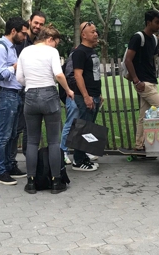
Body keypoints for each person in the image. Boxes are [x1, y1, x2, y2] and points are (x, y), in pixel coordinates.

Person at [16, 25, 74, 194]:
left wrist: (32, 85)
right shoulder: (51, 52)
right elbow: (59, 74)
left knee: (32, 141)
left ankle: (31, 182)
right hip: (49, 94)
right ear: (49, 39)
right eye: (55, 42)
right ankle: (56, 181)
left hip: (31, 96)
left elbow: (19, 77)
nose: (55, 46)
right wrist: (68, 90)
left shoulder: (25, 52)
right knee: (54, 141)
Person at [0, 17, 29, 185]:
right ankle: (1, 171)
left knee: (13, 134)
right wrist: (15, 66)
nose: (25, 37)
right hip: (6, 94)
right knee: (4, 135)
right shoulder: (0, 48)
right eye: (23, 33)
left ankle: (9, 164)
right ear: (13, 31)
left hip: (15, 93)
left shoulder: (12, 48)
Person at [124, 10, 159, 152]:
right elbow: (128, 59)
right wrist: (136, 81)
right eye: (157, 22)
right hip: (143, 83)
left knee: (144, 116)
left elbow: (151, 60)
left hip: (151, 81)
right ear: (149, 23)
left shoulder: (154, 39)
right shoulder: (138, 37)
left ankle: (139, 145)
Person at [12, 11, 46, 169]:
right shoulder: (19, 41)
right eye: (36, 23)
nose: (38, 26)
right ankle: (9, 162)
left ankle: (30, 157)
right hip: (15, 89)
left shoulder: (39, 43)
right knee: (14, 127)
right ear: (30, 21)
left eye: (41, 24)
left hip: (29, 91)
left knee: (28, 127)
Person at [71, 21, 103, 172]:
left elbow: (94, 74)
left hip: (94, 94)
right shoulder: (80, 52)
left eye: (96, 31)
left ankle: (84, 157)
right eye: (93, 32)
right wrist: (86, 96)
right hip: (85, 96)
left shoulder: (92, 51)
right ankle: (77, 161)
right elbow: (78, 75)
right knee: (83, 127)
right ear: (84, 35)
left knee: (88, 127)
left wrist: (98, 94)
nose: (96, 34)